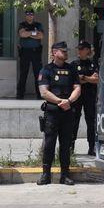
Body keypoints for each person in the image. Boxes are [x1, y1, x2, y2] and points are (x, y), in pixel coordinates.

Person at [38, 41, 81, 186]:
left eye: (66, 51)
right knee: (49, 144)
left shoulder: (72, 69)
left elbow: (77, 88)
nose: (66, 53)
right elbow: (44, 91)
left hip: (68, 112)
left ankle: (65, 175)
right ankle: (45, 175)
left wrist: (68, 100)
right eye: (63, 51)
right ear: (54, 52)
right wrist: (59, 102)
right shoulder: (46, 70)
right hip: (52, 112)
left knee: (66, 145)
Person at [71, 40, 100, 155]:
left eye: (82, 49)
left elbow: (97, 80)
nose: (79, 51)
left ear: (88, 50)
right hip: (77, 96)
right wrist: (88, 79)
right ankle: (70, 146)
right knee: (74, 121)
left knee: (91, 121)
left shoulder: (93, 64)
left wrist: (83, 78)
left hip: (89, 96)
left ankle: (91, 147)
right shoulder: (73, 64)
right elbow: (74, 81)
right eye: (78, 48)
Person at [16, 10, 44, 99]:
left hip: (36, 52)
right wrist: (34, 33)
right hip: (25, 52)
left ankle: (40, 95)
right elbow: (22, 34)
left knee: (38, 74)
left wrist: (29, 33)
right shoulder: (22, 25)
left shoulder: (38, 25)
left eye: (31, 14)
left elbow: (41, 36)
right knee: (23, 74)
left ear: (33, 15)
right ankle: (20, 95)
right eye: (28, 14)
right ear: (25, 15)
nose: (29, 16)